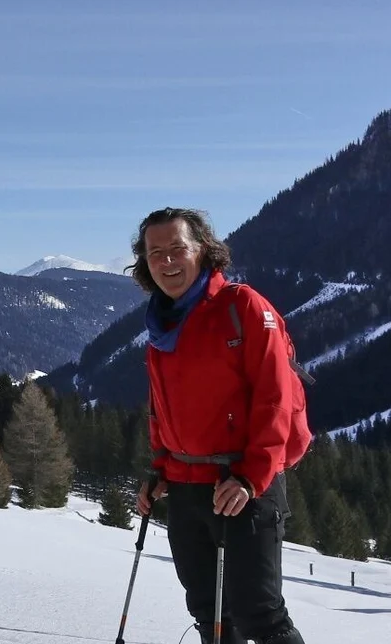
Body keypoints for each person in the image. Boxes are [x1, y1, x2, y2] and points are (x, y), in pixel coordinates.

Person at [129, 208, 309, 644]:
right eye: (156, 254)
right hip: (187, 489)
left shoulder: (243, 307)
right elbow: (161, 406)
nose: (167, 262)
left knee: (260, 615)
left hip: (242, 485)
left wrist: (251, 478)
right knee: (209, 613)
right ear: (144, 264)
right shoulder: (162, 321)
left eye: (177, 249)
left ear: (204, 251)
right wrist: (161, 469)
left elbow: (276, 398)